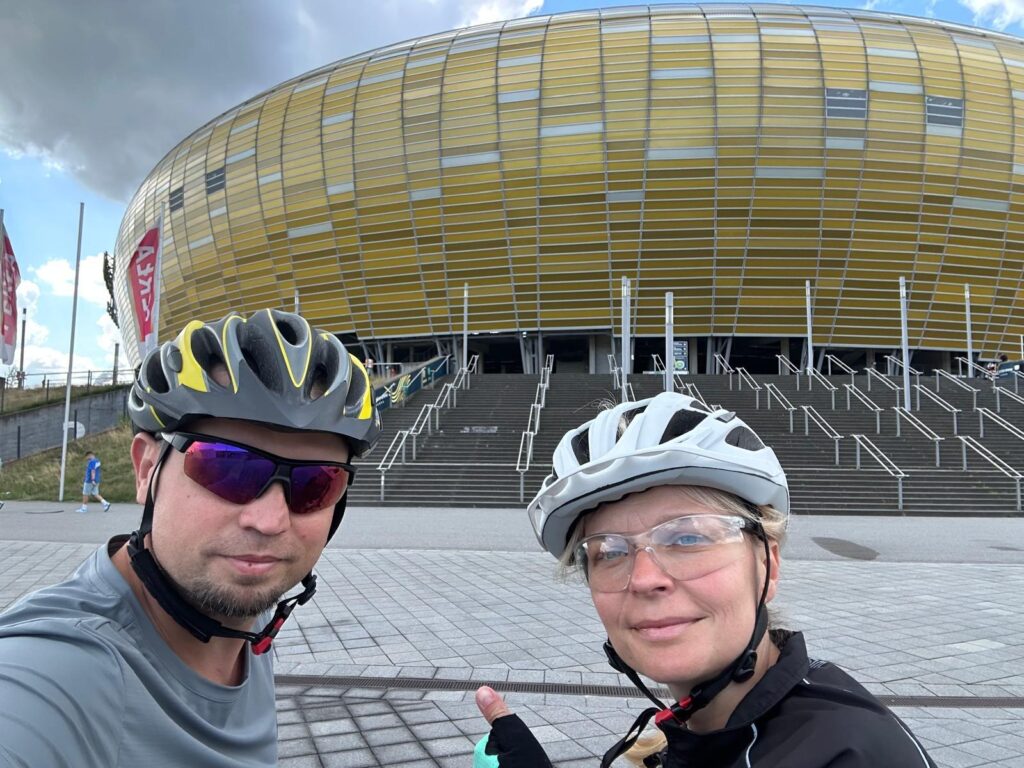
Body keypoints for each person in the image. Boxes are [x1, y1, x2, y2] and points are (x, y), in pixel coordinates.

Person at [0, 308, 381, 767]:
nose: (269, 521)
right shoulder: (57, 673)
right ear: (146, 469)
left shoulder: (250, 620)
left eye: (317, 482)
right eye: (228, 466)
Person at [473, 392, 936, 767]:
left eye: (689, 538)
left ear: (768, 565)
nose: (645, 579)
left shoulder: (845, 756)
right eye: (609, 551)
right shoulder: (709, 726)